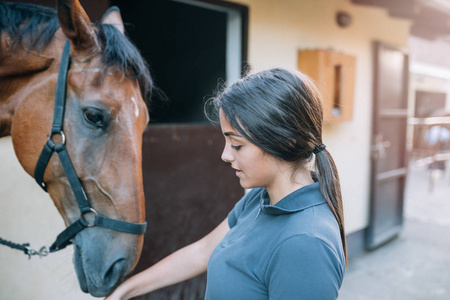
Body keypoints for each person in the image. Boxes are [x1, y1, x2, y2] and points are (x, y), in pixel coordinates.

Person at [105, 68, 347, 300]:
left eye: (237, 145)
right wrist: (123, 292)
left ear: (286, 142)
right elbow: (202, 252)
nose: (225, 155)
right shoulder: (261, 198)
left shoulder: (307, 243)